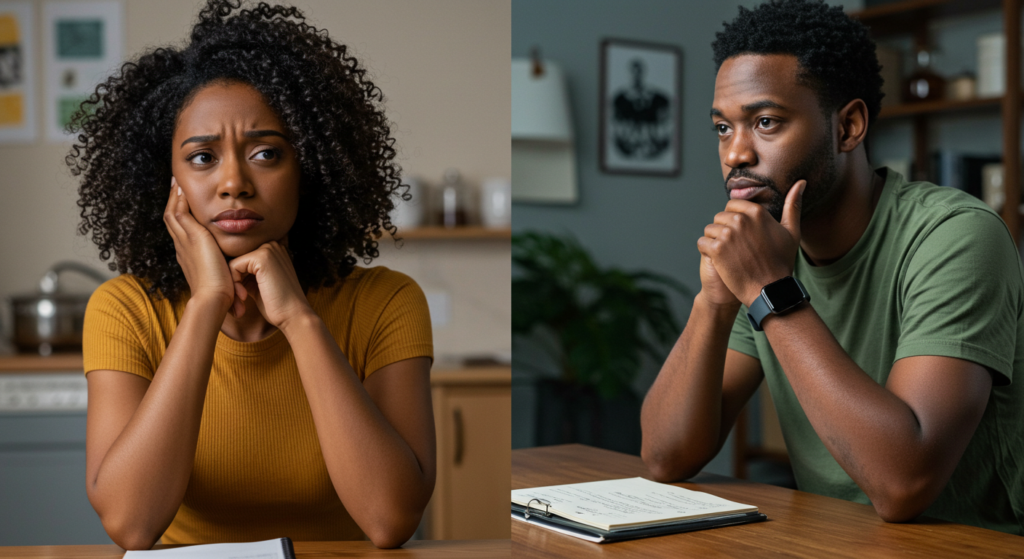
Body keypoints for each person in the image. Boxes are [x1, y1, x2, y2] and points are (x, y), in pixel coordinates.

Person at [640, 0, 1024, 535]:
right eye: (723, 128)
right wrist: (716, 300)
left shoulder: (956, 236)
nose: (735, 154)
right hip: (837, 541)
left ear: (848, 127)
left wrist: (770, 288)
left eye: (766, 122)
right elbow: (666, 457)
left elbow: (903, 484)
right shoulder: (768, 252)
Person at [67, 0, 434, 549]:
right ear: (166, 182)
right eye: (202, 157)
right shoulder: (124, 309)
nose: (234, 182)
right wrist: (206, 303)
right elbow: (131, 524)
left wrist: (298, 320)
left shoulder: (387, 303)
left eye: (266, 153)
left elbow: (390, 521)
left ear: (307, 171)